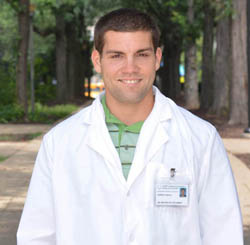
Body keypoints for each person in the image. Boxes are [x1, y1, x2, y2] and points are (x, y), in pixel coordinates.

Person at [17, 8, 243, 245]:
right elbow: (37, 235)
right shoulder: (59, 142)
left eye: (141, 55)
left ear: (157, 58)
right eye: (116, 55)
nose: (130, 68)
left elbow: (223, 233)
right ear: (97, 60)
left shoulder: (201, 138)